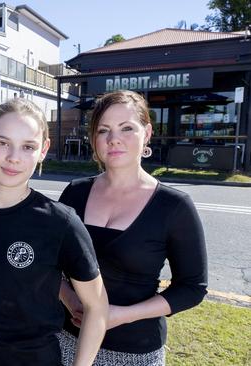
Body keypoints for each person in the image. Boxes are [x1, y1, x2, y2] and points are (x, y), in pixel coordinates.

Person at [0, 98, 109, 366]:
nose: (13, 157)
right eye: (3, 142)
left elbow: (97, 307)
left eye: (27, 146)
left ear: (43, 150)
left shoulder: (61, 222)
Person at [57, 90, 208, 366]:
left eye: (127, 128)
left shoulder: (173, 206)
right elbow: (49, 263)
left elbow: (192, 288)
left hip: (135, 352)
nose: (114, 139)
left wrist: (119, 314)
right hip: (67, 341)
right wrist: (69, 299)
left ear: (147, 133)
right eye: (104, 130)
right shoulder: (74, 193)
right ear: (94, 139)